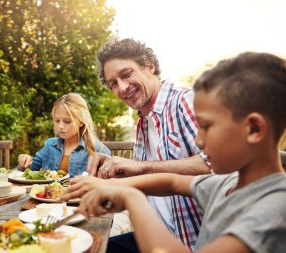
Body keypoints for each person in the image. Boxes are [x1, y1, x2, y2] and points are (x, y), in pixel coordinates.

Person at [73, 52, 286, 253]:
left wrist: (131, 197)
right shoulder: (228, 184)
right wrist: (111, 186)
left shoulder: (275, 209)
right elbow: (172, 182)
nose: (199, 141)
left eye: (206, 127)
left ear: (254, 129)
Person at [83, 38, 210, 249]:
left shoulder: (185, 102)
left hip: (191, 243)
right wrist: (121, 170)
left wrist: (140, 167)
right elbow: (147, 179)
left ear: (149, 66)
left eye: (126, 74)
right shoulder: (143, 122)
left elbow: (214, 166)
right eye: (114, 83)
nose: (122, 87)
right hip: (154, 238)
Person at [18, 93, 110, 177]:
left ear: (81, 121)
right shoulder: (50, 145)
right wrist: (25, 161)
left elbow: (107, 184)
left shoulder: (98, 150)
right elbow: (30, 170)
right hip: (50, 194)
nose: (60, 126)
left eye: (67, 121)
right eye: (57, 121)